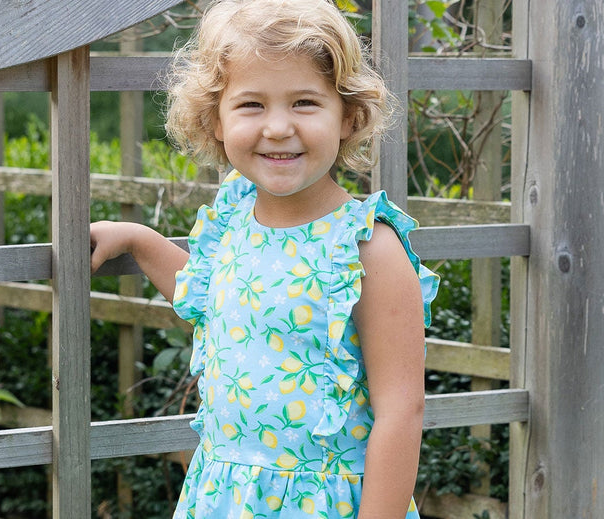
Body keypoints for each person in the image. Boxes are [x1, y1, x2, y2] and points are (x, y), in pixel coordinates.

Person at [89, 0, 440, 516]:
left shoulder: (367, 246)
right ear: (215, 121)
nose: (278, 127)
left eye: (304, 102)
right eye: (251, 105)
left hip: (325, 503)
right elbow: (214, 299)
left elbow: (400, 413)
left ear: (348, 117)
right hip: (224, 498)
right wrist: (141, 241)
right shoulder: (233, 219)